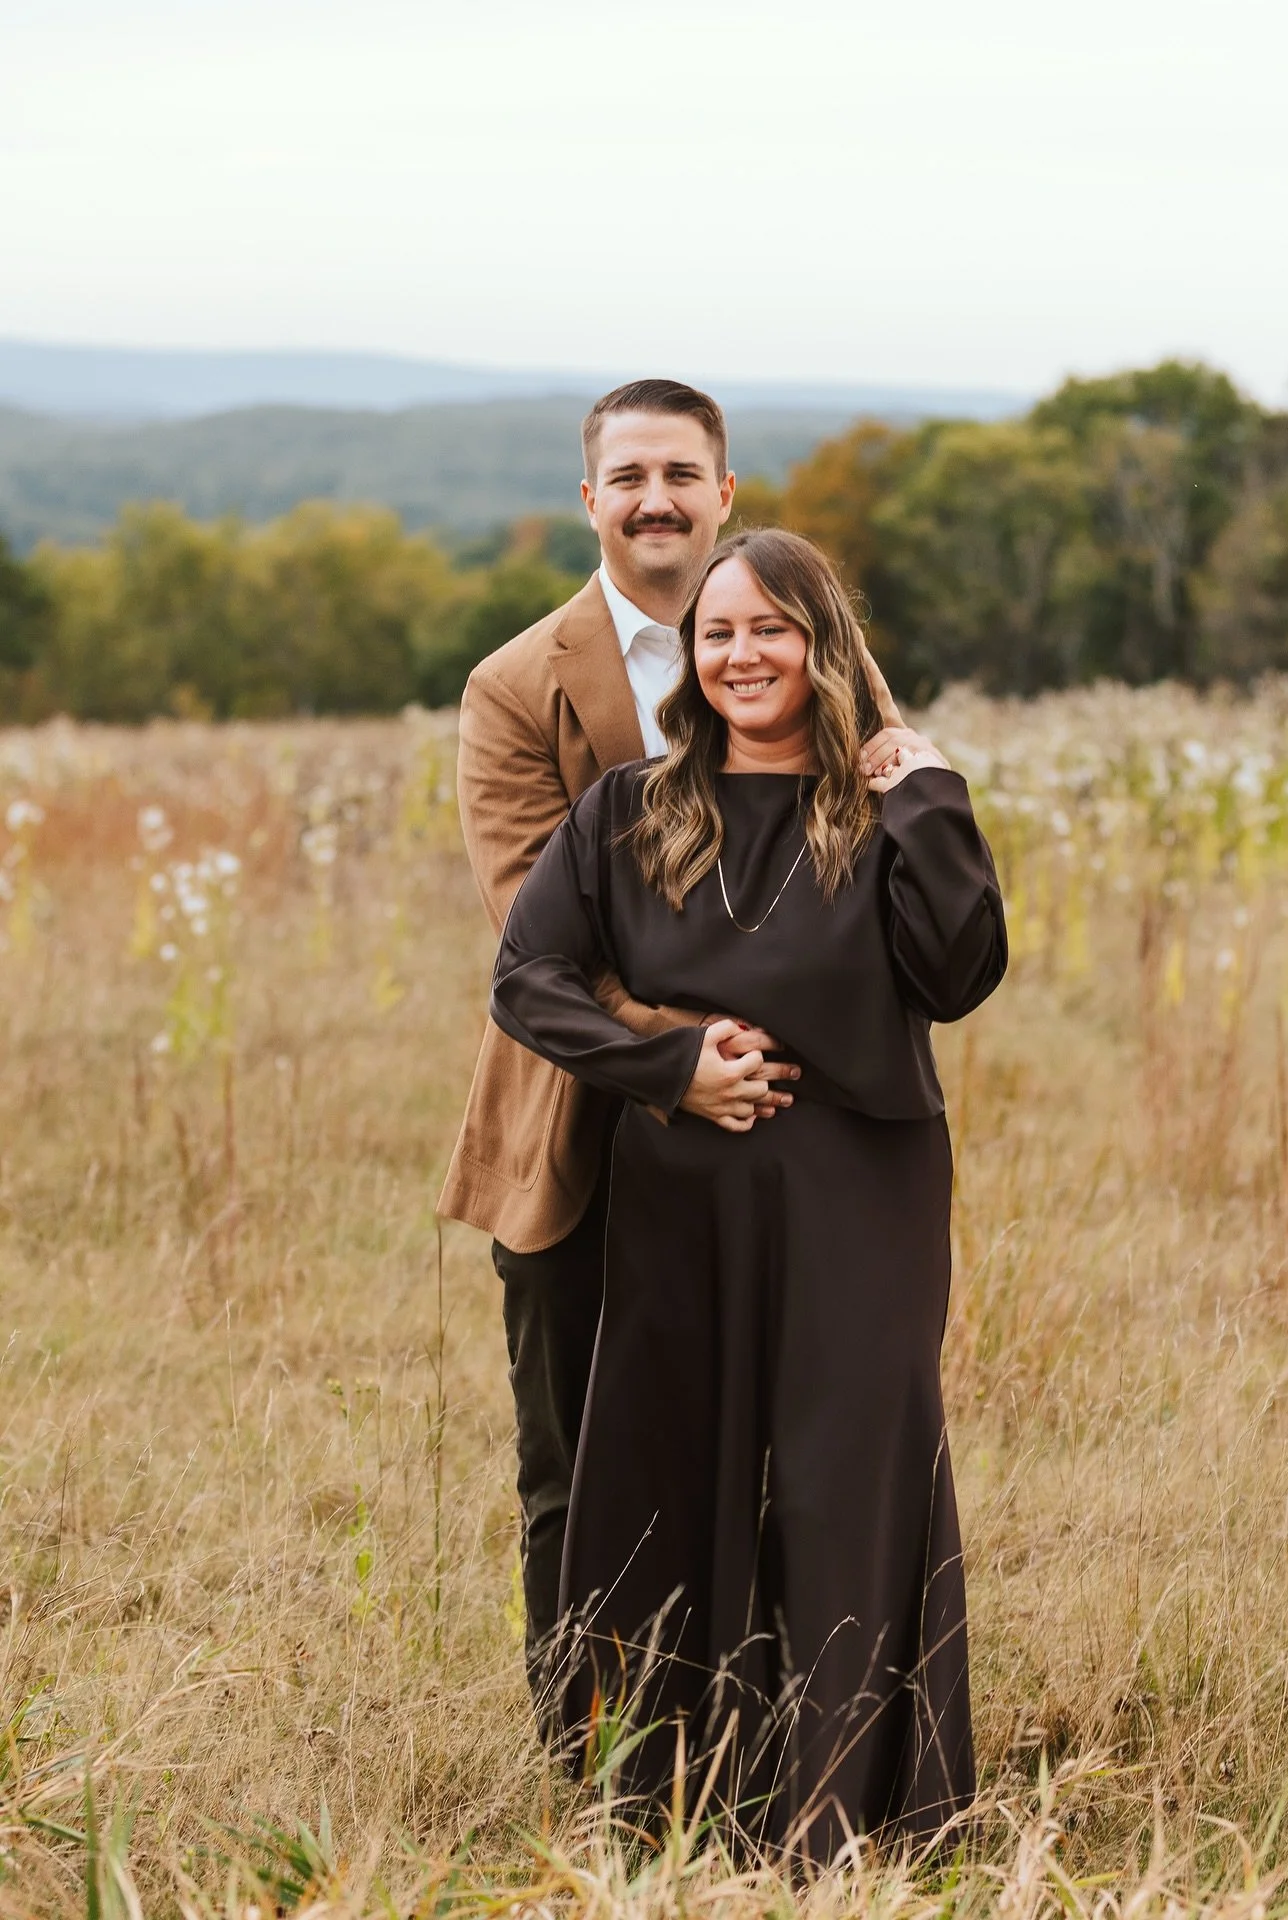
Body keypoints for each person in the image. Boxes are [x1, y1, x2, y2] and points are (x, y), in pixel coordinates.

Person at [489, 529, 1008, 1852]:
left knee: (843, 1476)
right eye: (719, 633)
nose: (742, 655)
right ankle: (684, 1802)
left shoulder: (889, 805)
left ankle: (850, 1810)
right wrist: (668, 1066)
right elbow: (528, 979)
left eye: (772, 628)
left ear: (826, 645)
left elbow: (959, 973)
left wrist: (929, 791)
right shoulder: (628, 813)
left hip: (859, 1200)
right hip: (680, 1204)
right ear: (693, 657)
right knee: (682, 1470)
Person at [436, 380, 901, 1708]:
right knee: (579, 1463)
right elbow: (533, 931)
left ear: (724, 494)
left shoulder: (808, 656)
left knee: (773, 1443)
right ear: (591, 500)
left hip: (784, 1131)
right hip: (585, 1124)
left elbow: (872, 872)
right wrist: (689, 1056)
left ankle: (756, 1730)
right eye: (629, 476)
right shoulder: (515, 686)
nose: (657, 500)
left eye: (682, 475)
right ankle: (594, 1754)